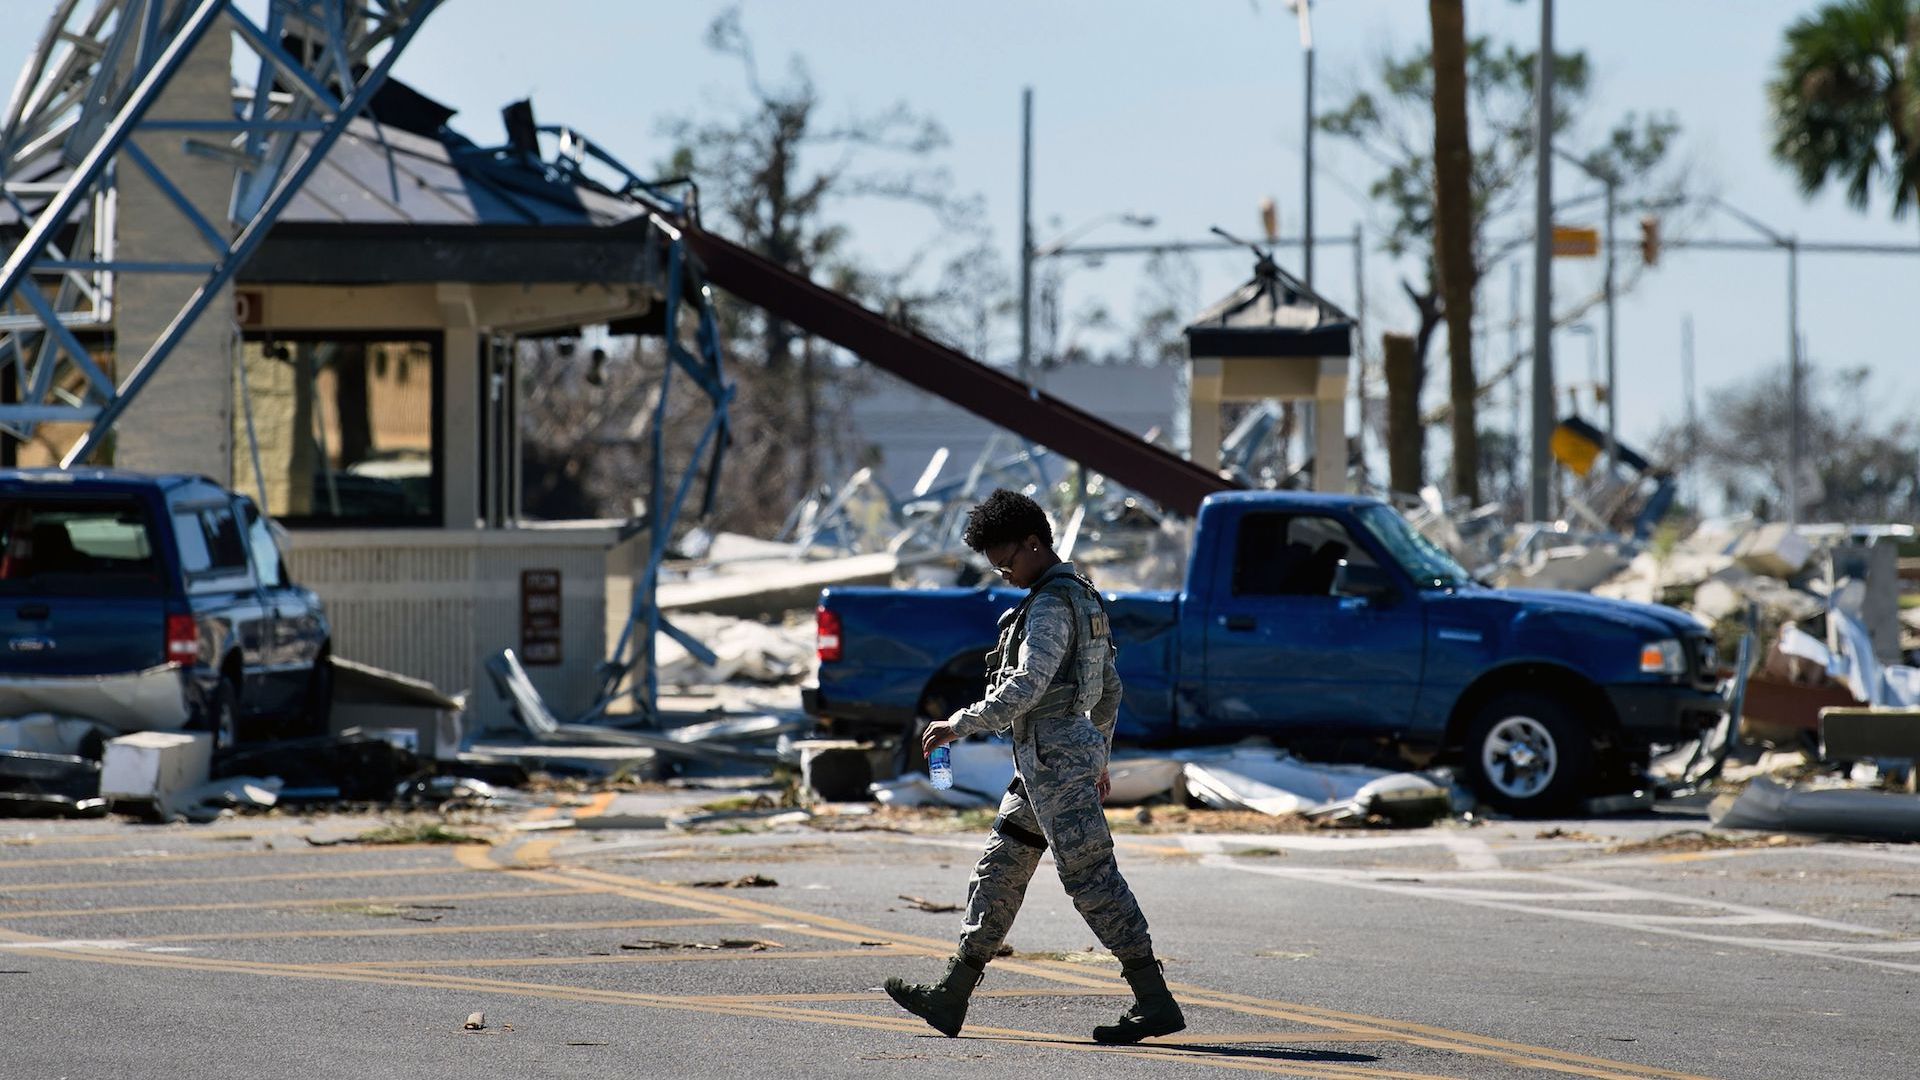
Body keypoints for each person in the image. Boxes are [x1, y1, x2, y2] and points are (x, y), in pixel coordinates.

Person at [883, 488, 1184, 1045]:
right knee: (1001, 869)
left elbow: (1028, 683)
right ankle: (952, 995)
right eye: (997, 565)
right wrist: (1100, 751)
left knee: (1091, 877)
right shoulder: (1084, 596)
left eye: (1009, 560)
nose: (1005, 573)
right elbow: (1110, 688)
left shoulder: (1049, 605)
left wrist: (960, 723)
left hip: (1054, 762)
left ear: (1034, 543)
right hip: (1050, 763)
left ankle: (1154, 999)